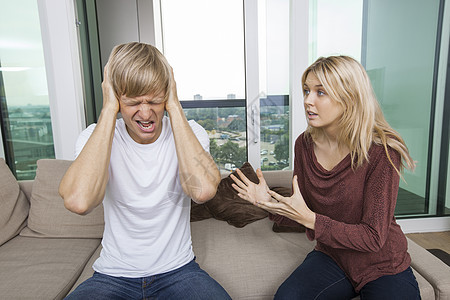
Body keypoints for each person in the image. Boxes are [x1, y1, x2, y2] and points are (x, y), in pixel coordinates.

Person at [231, 55, 421, 299]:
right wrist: (267, 201)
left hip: (382, 264)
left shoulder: (381, 152)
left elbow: (373, 238)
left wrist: (312, 220)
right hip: (333, 257)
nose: (308, 101)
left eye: (321, 93)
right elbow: (304, 210)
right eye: (306, 90)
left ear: (349, 97)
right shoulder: (304, 144)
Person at [59, 42, 230, 299]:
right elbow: (79, 201)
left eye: (155, 100)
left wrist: (173, 105)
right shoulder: (94, 138)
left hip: (178, 271)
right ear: (116, 98)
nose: (146, 113)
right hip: (112, 276)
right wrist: (108, 109)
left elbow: (202, 191)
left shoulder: (190, 133)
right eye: (133, 102)